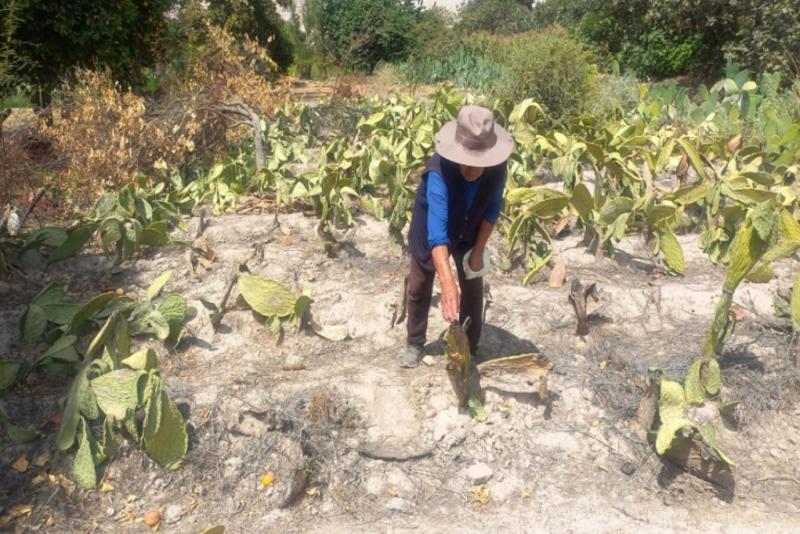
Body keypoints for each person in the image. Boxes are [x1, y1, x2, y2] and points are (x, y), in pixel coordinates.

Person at [400, 105, 513, 368]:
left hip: (471, 224)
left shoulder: (497, 168)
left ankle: (470, 348)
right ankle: (415, 343)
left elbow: (492, 209)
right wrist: (447, 283)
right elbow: (437, 234)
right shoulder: (439, 171)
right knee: (418, 284)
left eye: (479, 163)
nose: (472, 169)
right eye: (467, 161)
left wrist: (477, 252)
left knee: (473, 286)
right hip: (433, 223)